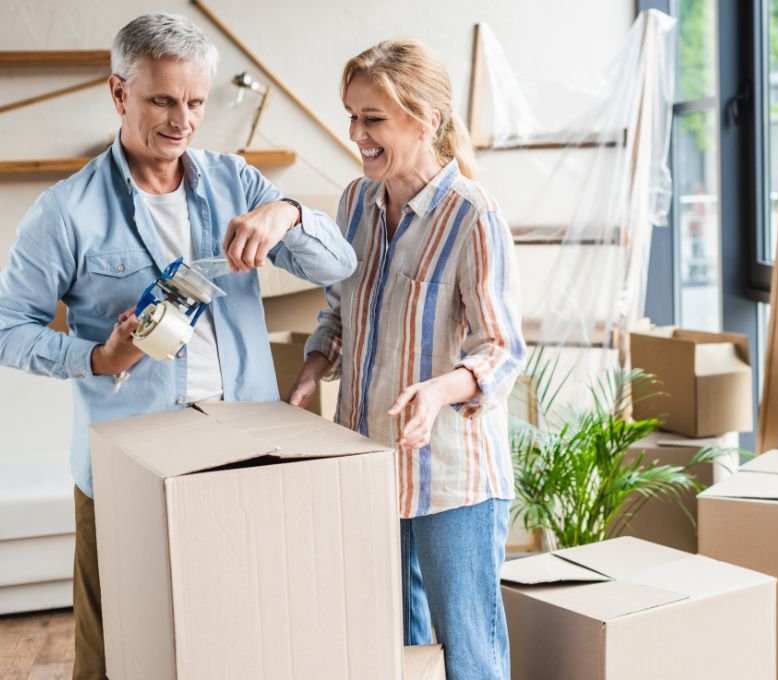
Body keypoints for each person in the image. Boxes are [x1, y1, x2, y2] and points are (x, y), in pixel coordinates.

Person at [0, 13, 355, 679]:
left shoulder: (238, 183)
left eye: (195, 102)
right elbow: (7, 331)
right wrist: (97, 358)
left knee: (241, 634)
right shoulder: (66, 212)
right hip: (127, 460)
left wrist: (289, 213)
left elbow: (338, 264)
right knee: (115, 656)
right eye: (163, 99)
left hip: (241, 449)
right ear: (118, 93)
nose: (182, 120)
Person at [288, 39, 524, 679]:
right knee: (388, 650)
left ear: (426, 121)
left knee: (468, 659)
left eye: (373, 120)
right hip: (367, 464)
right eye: (353, 117)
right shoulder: (355, 204)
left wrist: (440, 391)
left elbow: (501, 350)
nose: (357, 134)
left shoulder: (473, 217)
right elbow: (340, 310)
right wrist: (314, 365)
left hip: (451, 480)